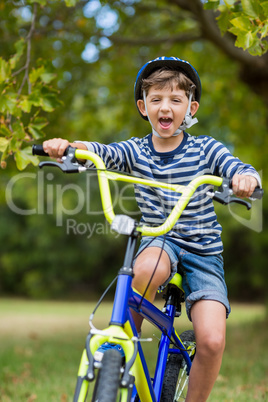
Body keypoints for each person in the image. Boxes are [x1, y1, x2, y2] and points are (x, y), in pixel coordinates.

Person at [43, 56, 261, 401]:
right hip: (162, 239)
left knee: (212, 340)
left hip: (204, 251)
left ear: (191, 107)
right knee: (144, 268)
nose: (166, 107)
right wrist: (71, 148)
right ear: (143, 107)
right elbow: (102, 152)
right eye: (157, 99)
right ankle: (122, 346)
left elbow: (236, 166)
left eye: (176, 100)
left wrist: (244, 178)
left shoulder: (205, 148)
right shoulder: (136, 150)